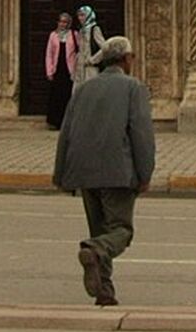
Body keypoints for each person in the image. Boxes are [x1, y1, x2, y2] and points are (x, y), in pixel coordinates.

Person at [52, 35, 155, 307]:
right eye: (131, 57)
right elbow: (141, 134)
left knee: (98, 230)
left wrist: (60, 174)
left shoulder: (84, 89)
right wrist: (145, 174)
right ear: (125, 60)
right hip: (118, 172)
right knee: (120, 230)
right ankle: (97, 252)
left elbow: (66, 132)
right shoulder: (134, 88)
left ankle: (104, 291)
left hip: (84, 172)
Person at [44, 10, 78, 130]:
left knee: (67, 95)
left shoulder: (74, 34)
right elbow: (49, 53)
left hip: (69, 69)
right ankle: (54, 122)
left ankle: (67, 121)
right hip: (57, 68)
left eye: (65, 22)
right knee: (56, 95)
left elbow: (78, 52)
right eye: (61, 22)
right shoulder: (53, 35)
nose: (63, 24)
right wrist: (49, 71)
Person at [74, 5, 108, 85]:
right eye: (79, 15)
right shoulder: (81, 30)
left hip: (90, 68)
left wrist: (93, 60)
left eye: (82, 15)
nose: (80, 18)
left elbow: (105, 48)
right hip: (80, 68)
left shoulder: (95, 29)